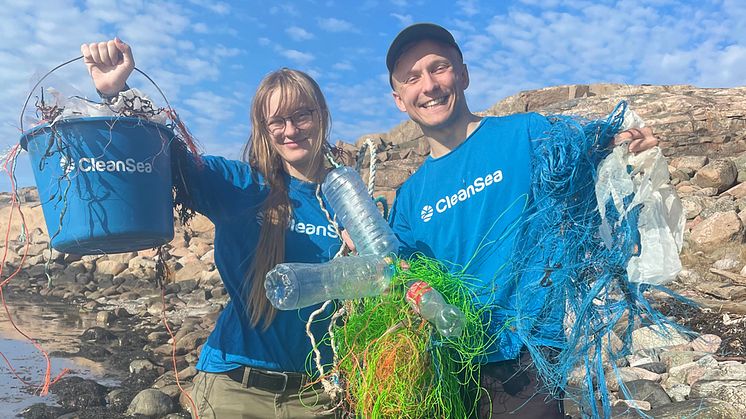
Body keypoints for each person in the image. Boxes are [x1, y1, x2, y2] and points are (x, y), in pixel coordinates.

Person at [385, 23, 659, 418]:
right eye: (412, 78)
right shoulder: (410, 196)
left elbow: (590, 153)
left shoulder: (524, 134)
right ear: (399, 99)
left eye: (438, 68)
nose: (428, 86)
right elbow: (403, 272)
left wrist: (629, 146)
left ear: (462, 74)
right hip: (448, 369)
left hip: (525, 358)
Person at [81, 39, 350, 419]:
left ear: (321, 114)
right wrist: (116, 92)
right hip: (233, 389)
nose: (290, 130)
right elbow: (161, 154)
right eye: (277, 121)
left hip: (318, 397)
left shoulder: (352, 203)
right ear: (263, 128)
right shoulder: (239, 185)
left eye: (301, 115)